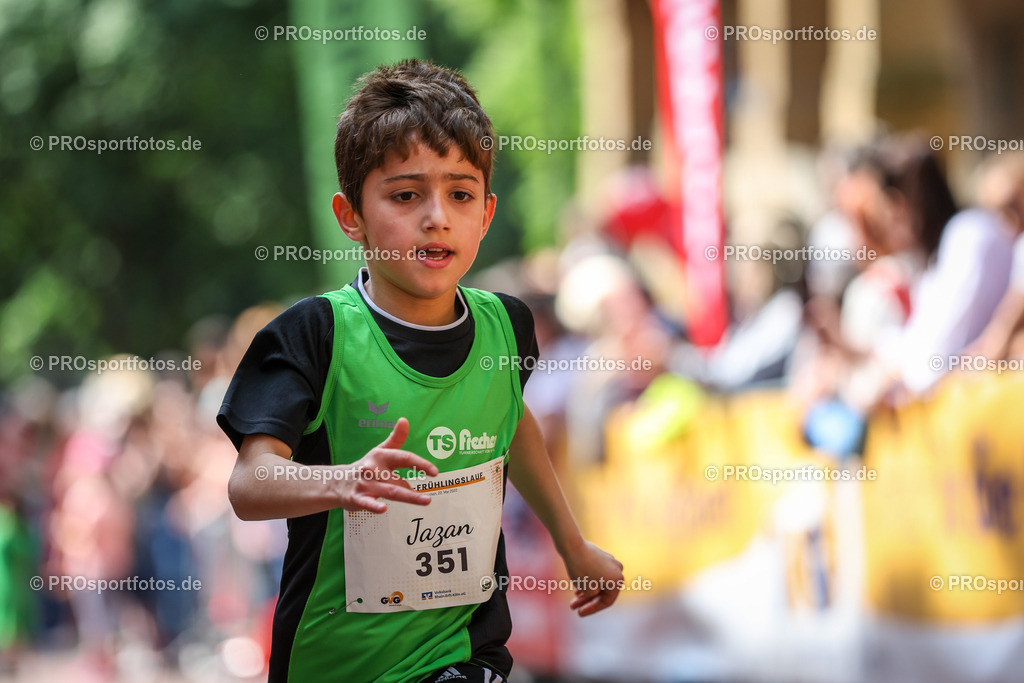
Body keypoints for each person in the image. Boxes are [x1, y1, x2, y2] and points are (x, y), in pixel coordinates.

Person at [219, 59, 623, 683]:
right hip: (335, 664)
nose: (437, 217)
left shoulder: (507, 326)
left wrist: (574, 546)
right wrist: (343, 480)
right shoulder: (314, 335)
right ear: (351, 215)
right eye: (406, 195)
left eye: (460, 194)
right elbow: (249, 484)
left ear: (486, 214)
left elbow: (512, 424)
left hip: (462, 652)